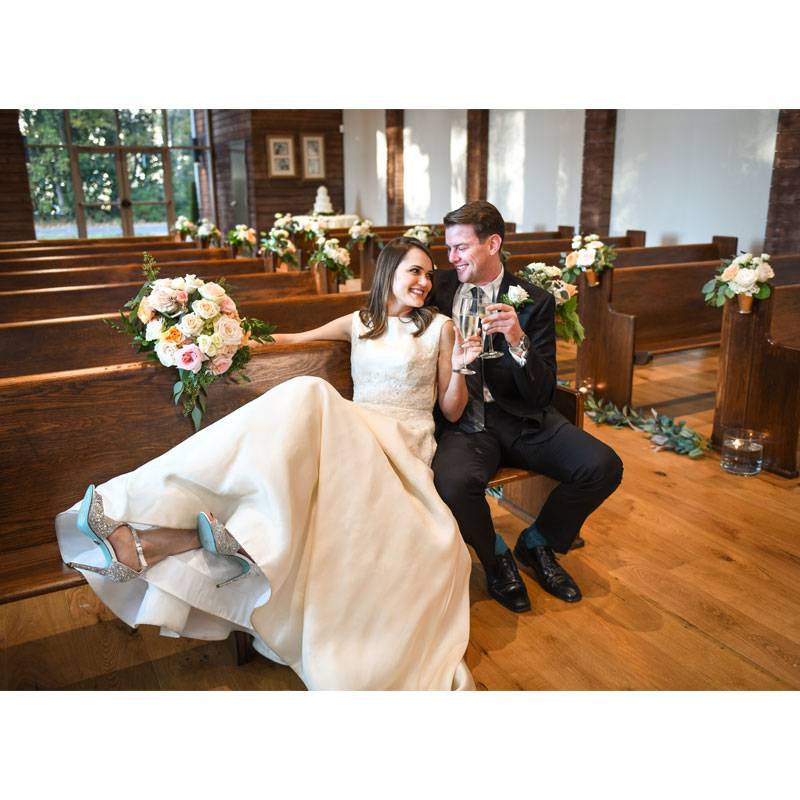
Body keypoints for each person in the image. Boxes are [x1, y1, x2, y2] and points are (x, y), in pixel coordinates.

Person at [55, 237, 484, 691]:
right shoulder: (361, 322)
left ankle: (162, 526)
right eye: (414, 271)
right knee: (305, 412)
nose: (424, 281)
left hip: (403, 446)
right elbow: (295, 340)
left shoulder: (440, 327)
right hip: (355, 434)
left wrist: (459, 368)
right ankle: (177, 536)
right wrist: (215, 339)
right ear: (389, 274)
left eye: (429, 273)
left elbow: (452, 411)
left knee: (312, 394)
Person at [428, 201, 624, 613]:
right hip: (464, 421)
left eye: (461, 248)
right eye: (448, 248)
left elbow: (541, 394)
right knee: (454, 484)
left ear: (493, 243)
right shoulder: (437, 289)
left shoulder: (532, 301)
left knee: (602, 466)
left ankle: (539, 543)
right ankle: (495, 554)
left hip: (521, 418)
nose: (452, 258)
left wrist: (518, 339)